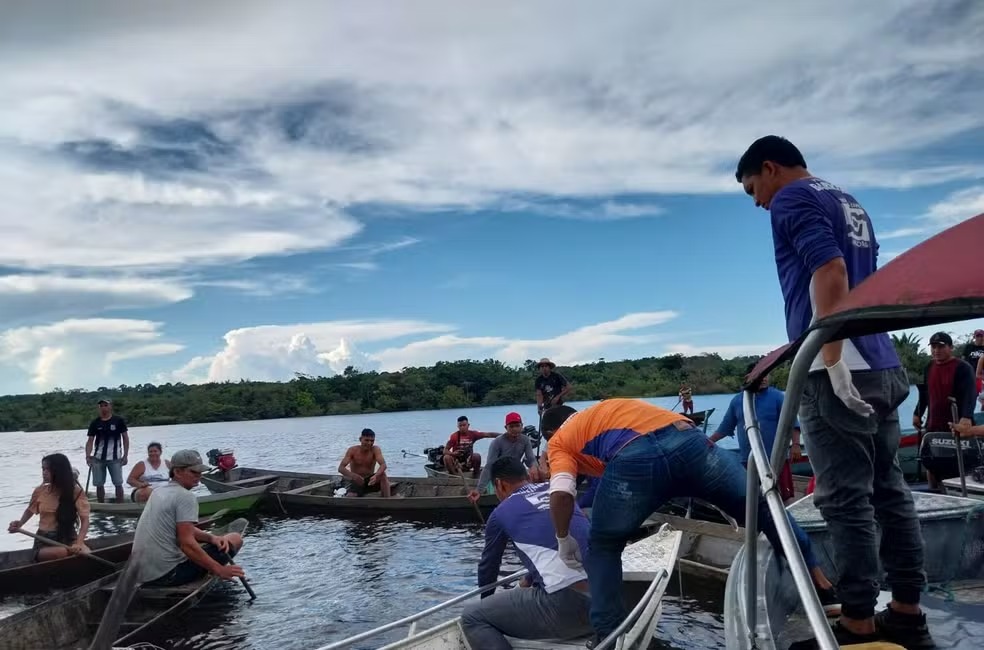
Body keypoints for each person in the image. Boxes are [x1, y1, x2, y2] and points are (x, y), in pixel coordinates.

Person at [736, 135, 931, 648]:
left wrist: (831, 357)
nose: (759, 203)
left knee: (845, 500)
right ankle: (907, 610)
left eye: (755, 188)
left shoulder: (792, 199)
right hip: (884, 363)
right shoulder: (847, 199)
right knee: (890, 491)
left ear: (771, 169)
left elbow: (831, 270)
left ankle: (860, 622)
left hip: (839, 369)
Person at [543, 399, 836, 644]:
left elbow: (561, 494)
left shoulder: (558, 441)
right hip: (689, 440)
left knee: (604, 547)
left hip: (635, 460)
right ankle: (821, 583)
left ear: (549, 432)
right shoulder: (606, 409)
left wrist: (562, 537)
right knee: (763, 509)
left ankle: (609, 637)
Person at [461, 457, 593, 649]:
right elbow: (559, 541)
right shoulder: (556, 491)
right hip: (610, 596)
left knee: (473, 617)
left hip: (569, 607)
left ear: (500, 484)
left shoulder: (500, 513)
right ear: (527, 476)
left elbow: (488, 567)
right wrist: (529, 578)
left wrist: (487, 604)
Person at [131, 449, 245, 586]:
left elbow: (182, 528)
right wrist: (220, 569)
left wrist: (211, 538)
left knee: (217, 541)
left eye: (200, 472)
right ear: (177, 472)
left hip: (140, 573)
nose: (198, 476)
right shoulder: (186, 497)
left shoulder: (158, 492)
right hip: (166, 576)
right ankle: (209, 572)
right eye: (193, 472)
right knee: (235, 538)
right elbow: (186, 544)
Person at [709, 364, 799, 502]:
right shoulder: (738, 401)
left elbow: (792, 423)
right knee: (752, 498)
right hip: (749, 461)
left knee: (782, 497)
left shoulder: (777, 397)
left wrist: (796, 445)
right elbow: (724, 428)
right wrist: (707, 442)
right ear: (748, 377)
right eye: (759, 375)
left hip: (776, 459)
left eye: (766, 375)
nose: (763, 379)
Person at [914, 332, 978, 489]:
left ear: (951, 347)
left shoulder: (963, 367)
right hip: (933, 424)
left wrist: (966, 417)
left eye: (941, 347)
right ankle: (933, 492)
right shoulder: (929, 367)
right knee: (931, 462)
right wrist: (917, 413)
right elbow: (925, 393)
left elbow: (971, 393)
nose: (937, 350)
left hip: (956, 425)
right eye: (934, 347)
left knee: (958, 465)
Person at [8, 453, 91, 561]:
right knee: (62, 552)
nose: (44, 473)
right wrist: (19, 524)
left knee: (86, 553)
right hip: (44, 541)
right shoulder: (40, 491)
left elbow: (85, 521)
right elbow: (30, 510)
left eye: (47, 469)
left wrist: (79, 543)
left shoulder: (76, 492)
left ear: (59, 471)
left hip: (69, 538)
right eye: (43, 469)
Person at [468, 412, 542, 502]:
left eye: (517, 426)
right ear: (506, 428)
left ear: (522, 426)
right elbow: (488, 466)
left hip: (515, 473)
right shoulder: (497, 442)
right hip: (499, 476)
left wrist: (534, 467)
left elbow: (531, 459)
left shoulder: (525, 440)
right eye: (511, 426)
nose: (515, 429)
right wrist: (479, 490)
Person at [85, 398, 129, 503]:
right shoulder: (95, 423)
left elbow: (125, 438)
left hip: (115, 458)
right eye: (101, 406)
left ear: (110, 407)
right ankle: (101, 504)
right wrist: (87, 456)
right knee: (99, 484)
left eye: (105, 405)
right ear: (99, 408)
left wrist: (125, 456)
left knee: (118, 483)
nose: (103, 408)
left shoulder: (118, 421)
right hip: (98, 458)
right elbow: (90, 441)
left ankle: (120, 505)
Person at [338, 428, 391, 497]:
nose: (369, 443)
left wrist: (376, 476)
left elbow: (383, 465)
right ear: (360, 439)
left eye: (372, 441)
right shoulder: (352, 450)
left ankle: (387, 500)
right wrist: (354, 476)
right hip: (357, 481)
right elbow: (341, 468)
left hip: (370, 481)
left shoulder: (375, 449)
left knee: (383, 475)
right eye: (366, 440)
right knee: (350, 496)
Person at [965, 329, 984, 400]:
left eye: (981, 336)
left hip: (981, 376)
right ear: (974, 337)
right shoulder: (969, 347)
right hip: (970, 375)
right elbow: (964, 359)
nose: (979, 338)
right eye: (977, 336)